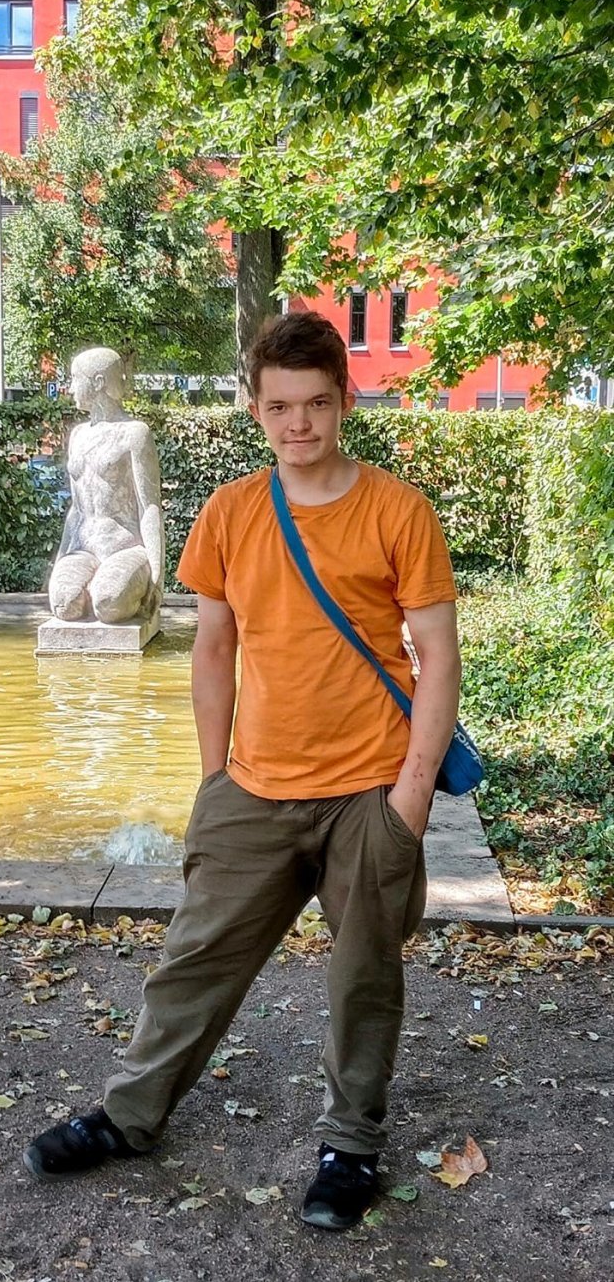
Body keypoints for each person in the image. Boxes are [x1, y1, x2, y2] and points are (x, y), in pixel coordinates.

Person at [23, 311, 461, 1231]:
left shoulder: (397, 510)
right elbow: (213, 648)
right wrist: (213, 775)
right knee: (192, 962)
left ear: (344, 401)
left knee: (363, 977)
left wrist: (411, 799)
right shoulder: (230, 511)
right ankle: (129, 1114)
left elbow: (436, 654)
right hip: (253, 788)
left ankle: (350, 1146)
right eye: (279, 407)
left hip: (370, 792)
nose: (298, 423)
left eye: (315, 404)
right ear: (255, 409)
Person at [47, 347, 164, 627]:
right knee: (65, 603)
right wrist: (60, 561)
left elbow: (149, 505)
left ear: (98, 382)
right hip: (83, 547)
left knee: (108, 602)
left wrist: (158, 574)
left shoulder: (134, 433)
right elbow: (76, 510)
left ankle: (123, 582)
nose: (71, 387)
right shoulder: (78, 436)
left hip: (124, 548)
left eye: (76, 378)